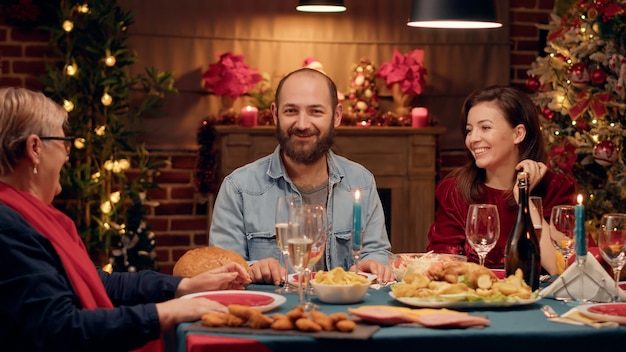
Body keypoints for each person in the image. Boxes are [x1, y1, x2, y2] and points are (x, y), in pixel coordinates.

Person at [0, 87, 251, 351]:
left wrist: (186, 285)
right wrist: (166, 313)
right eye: (64, 143)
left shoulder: (30, 215)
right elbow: (60, 328)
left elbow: (99, 283)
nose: (66, 155)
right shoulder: (9, 227)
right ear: (35, 148)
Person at [209, 68, 394, 285]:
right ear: (274, 113)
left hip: (344, 313)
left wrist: (372, 264)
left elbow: (377, 251)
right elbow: (221, 268)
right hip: (270, 315)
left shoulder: (362, 182)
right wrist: (251, 268)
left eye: (316, 111)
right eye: (291, 111)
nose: (303, 124)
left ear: (336, 116)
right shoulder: (238, 187)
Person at [426, 85, 576, 275]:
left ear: (518, 134)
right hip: (472, 300)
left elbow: (562, 269)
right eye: (469, 130)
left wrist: (525, 198)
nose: (473, 139)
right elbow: (441, 265)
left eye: (485, 127)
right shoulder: (454, 190)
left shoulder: (556, 188)